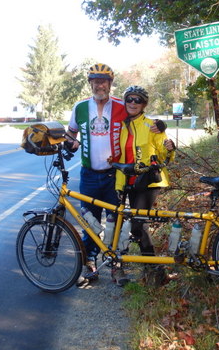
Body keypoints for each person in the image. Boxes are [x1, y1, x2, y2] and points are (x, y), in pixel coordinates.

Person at [67, 64, 164, 287]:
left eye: (104, 81)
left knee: (116, 222)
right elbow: (71, 131)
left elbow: (142, 118)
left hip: (114, 175)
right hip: (89, 174)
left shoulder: (121, 106)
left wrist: (160, 125)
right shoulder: (80, 107)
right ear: (90, 83)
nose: (99, 85)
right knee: (90, 222)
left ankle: (116, 265)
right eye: (95, 81)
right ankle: (90, 264)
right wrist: (70, 142)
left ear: (110, 84)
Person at [115, 85, 175, 285]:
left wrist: (169, 148)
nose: (132, 103)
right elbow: (122, 154)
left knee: (139, 223)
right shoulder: (123, 126)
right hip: (129, 180)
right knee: (131, 224)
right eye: (129, 99)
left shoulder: (152, 125)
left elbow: (165, 153)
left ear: (144, 104)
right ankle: (141, 266)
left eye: (137, 100)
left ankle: (155, 271)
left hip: (148, 181)